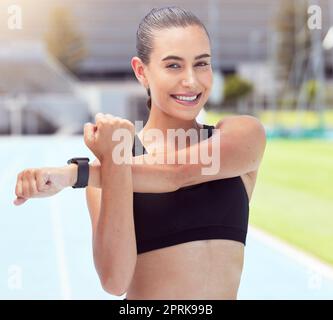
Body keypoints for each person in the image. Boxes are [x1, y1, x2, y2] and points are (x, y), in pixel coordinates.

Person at [13, 6, 266, 299]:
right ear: (141, 72)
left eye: (201, 64)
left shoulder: (242, 134)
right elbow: (115, 281)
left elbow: (177, 173)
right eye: (173, 65)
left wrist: (74, 174)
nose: (191, 81)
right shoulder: (108, 171)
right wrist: (107, 164)